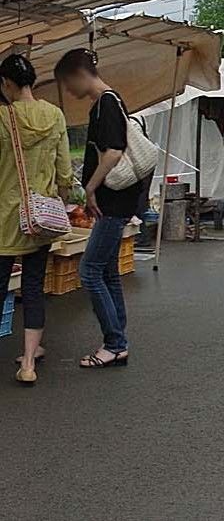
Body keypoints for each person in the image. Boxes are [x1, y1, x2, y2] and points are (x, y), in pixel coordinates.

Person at [54, 48, 144, 370]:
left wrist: (90, 187)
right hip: (117, 202)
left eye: (67, 84)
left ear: (79, 75)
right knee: (107, 271)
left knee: (89, 271)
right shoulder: (107, 102)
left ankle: (114, 343)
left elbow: (114, 151)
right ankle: (118, 340)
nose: (68, 91)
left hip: (112, 201)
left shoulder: (106, 102)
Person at [0, 54, 73, 386]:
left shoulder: (3, 117)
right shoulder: (54, 115)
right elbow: (64, 171)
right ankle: (29, 363)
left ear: (7, 84)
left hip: (4, 218)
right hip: (39, 219)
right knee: (32, 288)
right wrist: (62, 198)